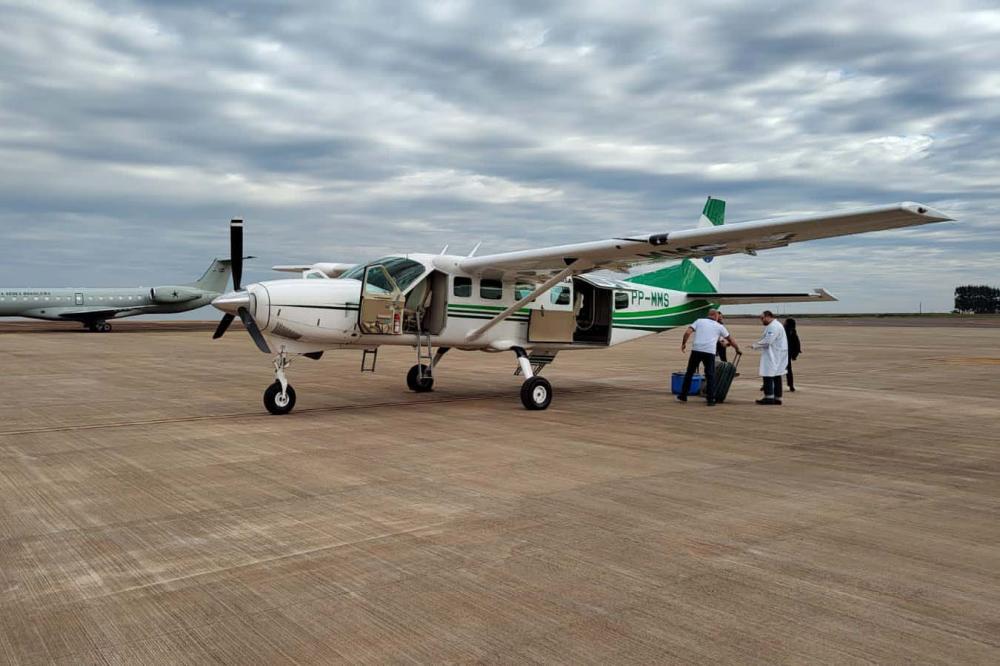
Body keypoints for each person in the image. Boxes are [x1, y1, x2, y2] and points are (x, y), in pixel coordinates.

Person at [677, 309, 741, 406]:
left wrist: (683, 344)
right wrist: (737, 349)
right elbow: (730, 339)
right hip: (709, 352)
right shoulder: (720, 326)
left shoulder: (699, 321)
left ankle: (683, 395)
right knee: (710, 375)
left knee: (689, 373)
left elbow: (687, 332)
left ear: (708, 315)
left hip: (696, 350)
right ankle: (710, 399)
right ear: (715, 316)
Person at [751, 310, 788, 405]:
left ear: (768, 316)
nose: (761, 320)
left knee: (768, 374)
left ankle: (769, 397)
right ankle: (778, 398)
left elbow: (768, 341)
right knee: (777, 375)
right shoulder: (776, 325)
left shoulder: (773, 326)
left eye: (762, 318)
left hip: (773, 354)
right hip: (778, 354)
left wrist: (755, 345)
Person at [784, 317, 801, 391]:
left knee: (773, 369)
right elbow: (797, 344)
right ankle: (791, 385)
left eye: (785, 322)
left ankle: (766, 385)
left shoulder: (783, 330)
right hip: (788, 353)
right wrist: (795, 354)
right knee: (789, 370)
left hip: (782, 352)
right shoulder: (793, 331)